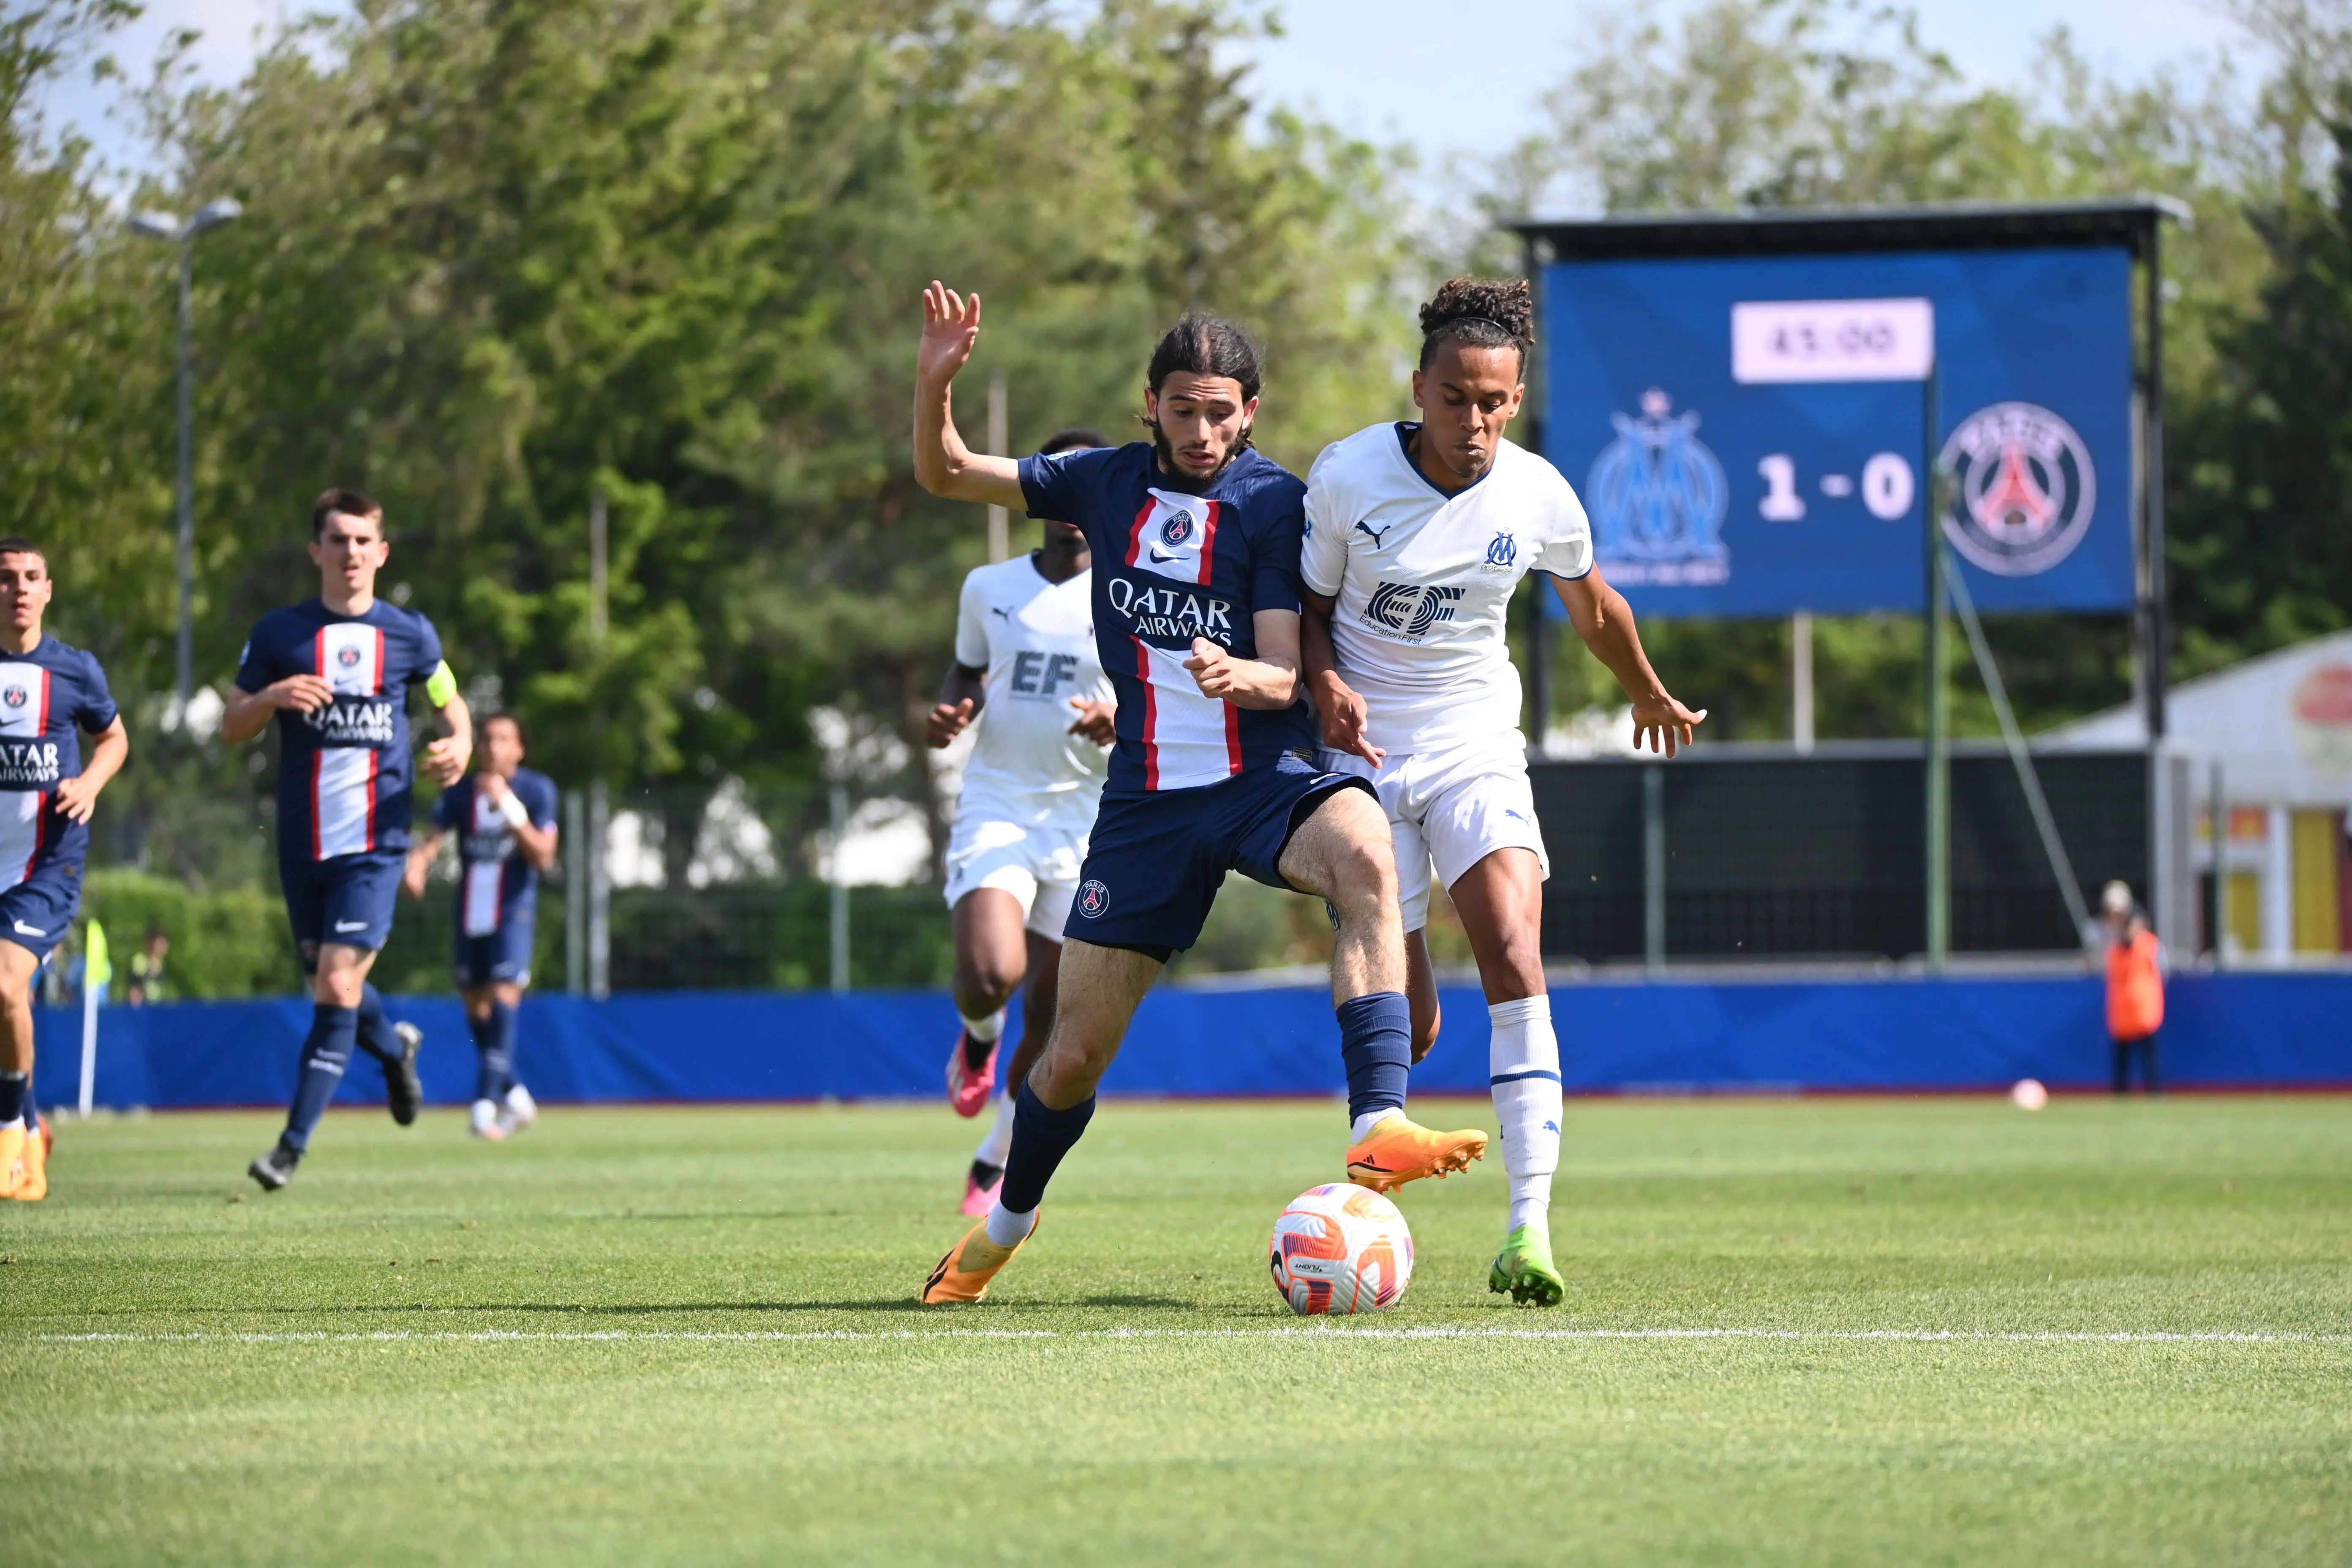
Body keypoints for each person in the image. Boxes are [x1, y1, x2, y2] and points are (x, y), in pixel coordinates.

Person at [909, 282, 1487, 1306]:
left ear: (1249, 412)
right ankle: (1001, 1228)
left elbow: (1283, 667)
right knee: (1072, 1056)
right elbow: (945, 472)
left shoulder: (1273, 502)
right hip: (1144, 806)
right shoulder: (1101, 483)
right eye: (1184, 408)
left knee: (1365, 850)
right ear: (1151, 405)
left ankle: (1376, 1125)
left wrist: (1242, 679)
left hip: (1260, 778)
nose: (1203, 429)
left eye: (1222, 411)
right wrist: (934, 384)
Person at [1300, 277, 1707, 1307]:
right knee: (1418, 1026)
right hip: (1364, 764)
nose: (1472, 423)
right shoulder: (1347, 475)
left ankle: (1528, 1228)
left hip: (1475, 742)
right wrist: (1324, 683)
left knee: (1516, 954)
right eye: (1453, 399)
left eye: (1492, 403)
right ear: (1418, 387)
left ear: (1514, 396)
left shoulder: (1537, 492)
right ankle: (1383, 1117)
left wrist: (1650, 691)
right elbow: (1300, 606)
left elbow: (1594, 603)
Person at [224, 489, 472, 1190]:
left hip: (377, 841)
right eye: (338, 540)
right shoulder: (281, 633)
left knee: (334, 983)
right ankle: (394, 1051)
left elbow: (450, 699)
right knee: (333, 982)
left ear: (382, 551)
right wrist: (271, 698)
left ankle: (288, 1150)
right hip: (303, 844)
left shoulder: (411, 634)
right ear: (316, 551)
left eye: (363, 540)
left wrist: (461, 743)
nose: (351, 552)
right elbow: (230, 722)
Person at [927, 427, 1119, 1216]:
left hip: (1088, 821)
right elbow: (968, 668)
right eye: (1060, 484)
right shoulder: (989, 585)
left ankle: (994, 1157)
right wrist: (951, 709)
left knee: (1052, 1011)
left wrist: (1120, 715)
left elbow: (1168, 694)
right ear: (1040, 492)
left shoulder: (1126, 589)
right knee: (989, 972)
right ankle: (976, 1038)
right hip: (1000, 801)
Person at [0, 539, 128, 1203]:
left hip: (46, 867)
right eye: (5, 579)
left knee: (4, 986)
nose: (19, 589)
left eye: (30, 578)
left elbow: (115, 738)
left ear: (48, 590)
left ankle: (9, 1128)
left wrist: (92, 783)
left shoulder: (74, 671)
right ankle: (30, 1123)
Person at [403, 710, 558, 1140]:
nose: (492, 747)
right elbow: (433, 838)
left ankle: (484, 1104)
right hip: (471, 911)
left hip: (513, 911)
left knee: (505, 1000)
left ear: (520, 748)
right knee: (477, 1010)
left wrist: (507, 804)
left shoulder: (537, 790)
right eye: (487, 739)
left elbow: (544, 855)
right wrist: (418, 864)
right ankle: (518, 1097)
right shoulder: (462, 792)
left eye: (503, 739)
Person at [2100, 879, 2164, 1094]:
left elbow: (2161, 971)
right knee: (2122, 1065)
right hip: (2122, 1016)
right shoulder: (2113, 948)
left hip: (2144, 1014)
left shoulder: (2148, 945)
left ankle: (2154, 1095)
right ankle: (2121, 1097)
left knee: (2150, 1062)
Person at [126, 926, 170, 1006]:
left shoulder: (162, 965)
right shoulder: (140, 959)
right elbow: (135, 984)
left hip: (157, 1008)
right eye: (160, 943)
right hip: (143, 1007)